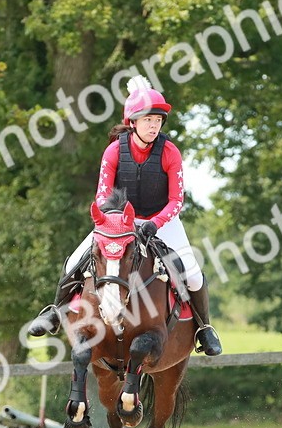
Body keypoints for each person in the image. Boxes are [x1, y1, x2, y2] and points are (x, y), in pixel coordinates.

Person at [28, 76, 222, 356]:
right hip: (120, 222)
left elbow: (177, 200)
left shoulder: (170, 152)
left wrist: (154, 224)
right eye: (148, 120)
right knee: (76, 259)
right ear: (133, 122)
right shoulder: (114, 151)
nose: (154, 125)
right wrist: (115, 222)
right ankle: (54, 312)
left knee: (191, 273)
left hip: (161, 220)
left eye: (158, 120)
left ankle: (204, 328)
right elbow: (102, 196)